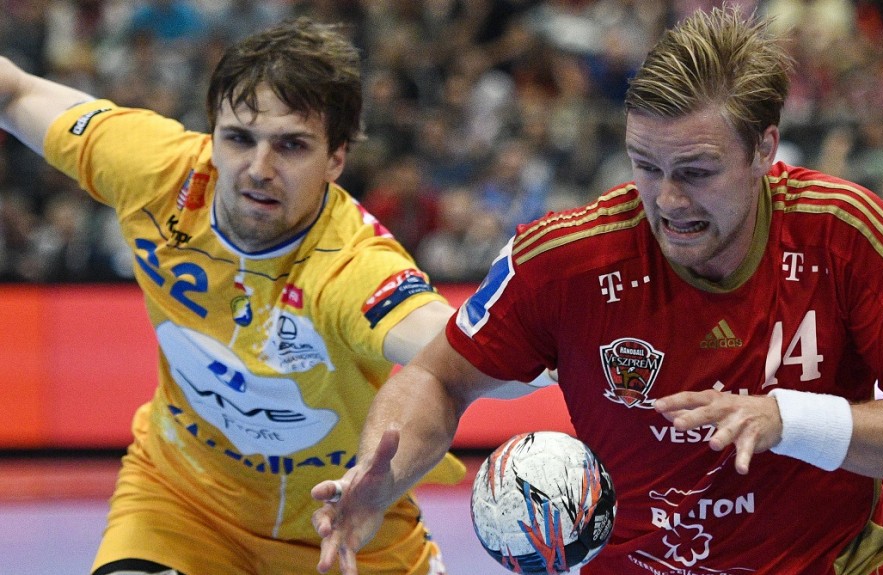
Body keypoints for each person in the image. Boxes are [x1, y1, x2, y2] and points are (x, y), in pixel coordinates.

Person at [311, 7, 883, 575]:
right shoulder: (565, 258)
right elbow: (438, 375)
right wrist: (382, 472)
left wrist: (790, 420)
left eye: (697, 170)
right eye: (646, 165)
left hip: (841, 558)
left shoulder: (843, 231)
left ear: (764, 150)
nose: (667, 199)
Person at [0, 17, 530, 575]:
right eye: (238, 138)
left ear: (336, 159)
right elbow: (17, 93)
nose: (258, 169)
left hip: (347, 528)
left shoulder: (353, 265)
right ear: (212, 134)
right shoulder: (156, 171)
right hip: (182, 508)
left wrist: (561, 343)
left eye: (291, 146)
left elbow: (460, 347)